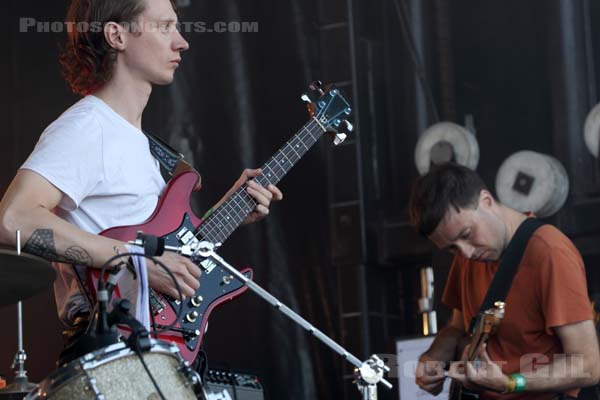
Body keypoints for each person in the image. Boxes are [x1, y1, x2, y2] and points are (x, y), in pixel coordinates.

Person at [0, 0, 282, 345]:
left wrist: (227, 211)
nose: (182, 41)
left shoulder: (139, 144)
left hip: (153, 345)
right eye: (164, 27)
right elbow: (12, 220)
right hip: (110, 348)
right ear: (117, 35)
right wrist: (132, 259)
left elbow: (164, 252)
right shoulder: (88, 126)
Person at [409, 163, 600, 399]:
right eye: (451, 248)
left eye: (467, 235)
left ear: (487, 201)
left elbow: (588, 366)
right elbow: (458, 328)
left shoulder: (550, 252)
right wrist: (434, 357)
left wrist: (510, 383)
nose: (466, 253)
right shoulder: (468, 256)